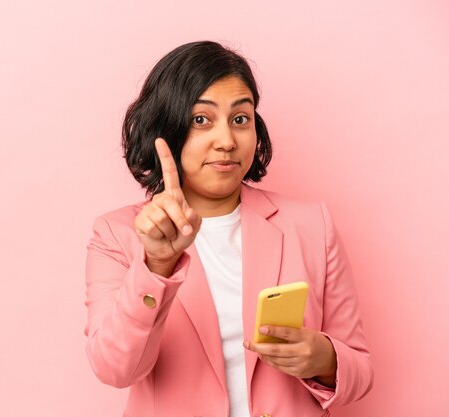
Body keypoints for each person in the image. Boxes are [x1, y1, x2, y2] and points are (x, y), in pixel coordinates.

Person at [84, 41, 373, 417]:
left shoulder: (311, 224)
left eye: (240, 119)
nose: (226, 141)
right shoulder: (116, 234)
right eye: (201, 119)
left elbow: (361, 369)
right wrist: (156, 266)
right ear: (166, 129)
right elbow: (115, 369)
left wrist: (327, 360)